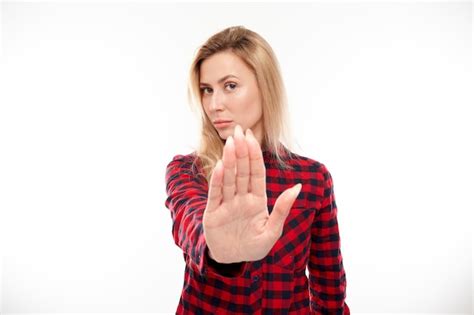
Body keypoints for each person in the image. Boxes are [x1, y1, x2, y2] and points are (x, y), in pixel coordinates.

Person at [165, 25, 350, 314]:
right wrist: (217, 249)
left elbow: (330, 295)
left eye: (230, 86)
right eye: (206, 90)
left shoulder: (314, 179)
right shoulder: (187, 170)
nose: (214, 104)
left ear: (266, 86)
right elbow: (189, 219)